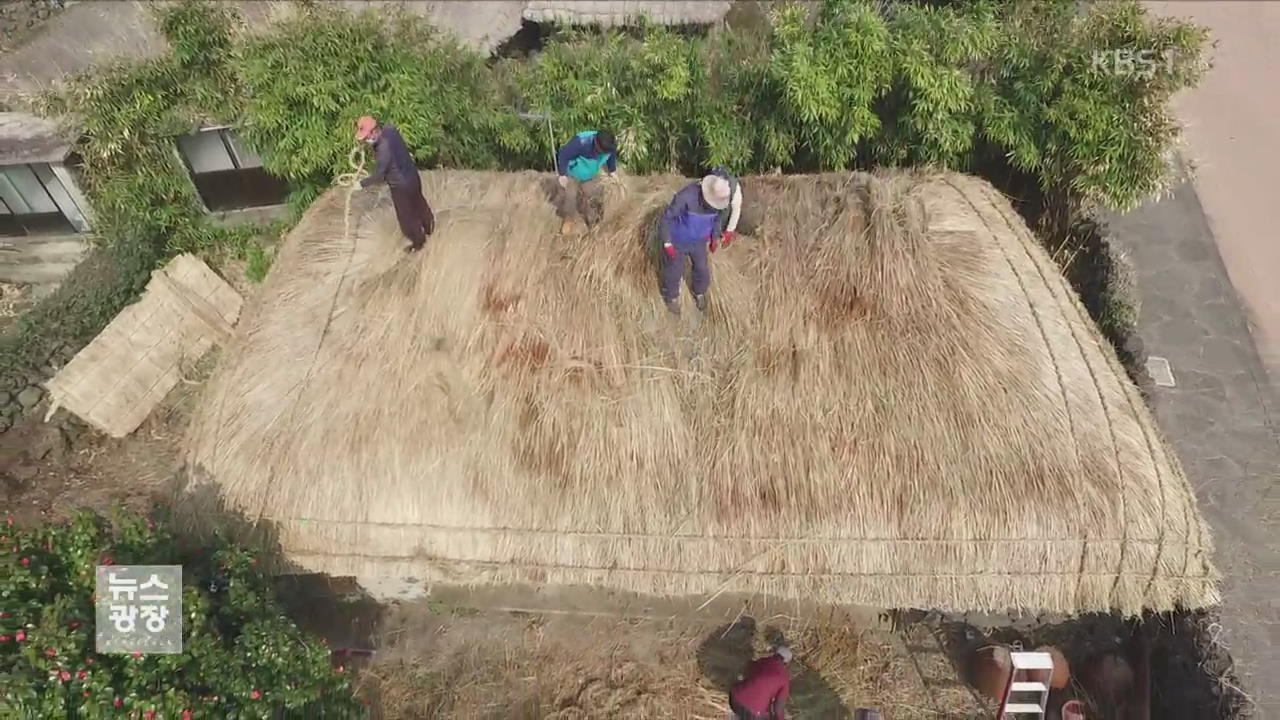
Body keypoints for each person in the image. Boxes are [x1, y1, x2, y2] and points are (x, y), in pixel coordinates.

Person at [355, 115, 435, 252]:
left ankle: (418, 242)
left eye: (367, 137)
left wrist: (362, 184)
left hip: (400, 185)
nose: (366, 141)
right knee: (419, 202)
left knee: (406, 218)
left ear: (374, 132)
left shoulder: (383, 149)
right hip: (412, 176)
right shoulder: (390, 130)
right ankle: (430, 227)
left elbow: (380, 175)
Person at [658, 174, 732, 315]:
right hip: (677, 241)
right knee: (674, 271)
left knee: (702, 269)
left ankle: (699, 293)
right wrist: (667, 242)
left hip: (698, 242)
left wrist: (714, 237)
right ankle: (671, 297)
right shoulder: (685, 197)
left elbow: (717, 221)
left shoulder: (718, 203)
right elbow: (667, 218)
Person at [554, 130, 618, 235]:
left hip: (589, 174)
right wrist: (563, 174)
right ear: (596, 144)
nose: (604, 153)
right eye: (601, 151)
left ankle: (595, 222)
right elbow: (564, 154)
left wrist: (612, 171)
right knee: (570, 195)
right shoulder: (581, 142)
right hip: (572, 172)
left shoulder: (610, 146)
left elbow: (611, 157)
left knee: (595, 194)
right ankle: (568, 219)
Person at [729, 645, 793, 720]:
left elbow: (747, 671)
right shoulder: (784, 679)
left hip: (735, 698)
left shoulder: (762, 661)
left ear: (774, 654)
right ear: (786, 663)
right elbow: (778, 708)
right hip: (752, 714)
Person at [708, 166, 744, 253]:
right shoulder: (706, 187)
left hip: (725, 214)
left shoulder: (735, 189)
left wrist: (729, 231)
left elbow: (736, 211)